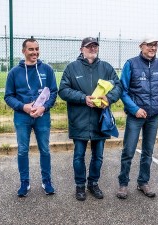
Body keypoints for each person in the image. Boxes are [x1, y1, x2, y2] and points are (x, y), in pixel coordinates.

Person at [58, 37, 122, 201]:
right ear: (81, 49)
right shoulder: (72, 68)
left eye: (95, 46)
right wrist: (83, 98)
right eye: (89, 46)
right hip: (79, 120)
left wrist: (109, 98)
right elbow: (63, 90)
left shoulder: (106, 67)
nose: (92, 49)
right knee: (79, 155)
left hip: (100, 121)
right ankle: (80, 186)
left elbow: (118, 86)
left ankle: (93, 183)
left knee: (98, 156)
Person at [116, 35, 158, 199]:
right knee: (129, 151)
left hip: (154, 117)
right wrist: (134, 109)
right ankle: (123, 184)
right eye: (149, 45)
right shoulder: (130, 64)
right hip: (135, 116)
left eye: (155, 45)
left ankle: (143, 182)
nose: (153, 48)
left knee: (148, 151)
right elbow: (122, 91)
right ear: (141, 46)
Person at [4, 38, 58, 197]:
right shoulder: (14, 72)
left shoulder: (47, 69)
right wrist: (23, 107)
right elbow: (8, 96)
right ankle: (24, 182)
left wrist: (43, 107)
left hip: (42, 116)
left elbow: (53, 92)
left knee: (45, 150)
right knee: (22, 150)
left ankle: (46, 181)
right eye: (31, 49)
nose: (35, 52)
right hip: (22, 117)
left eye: (37, 49)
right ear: (23, 51)